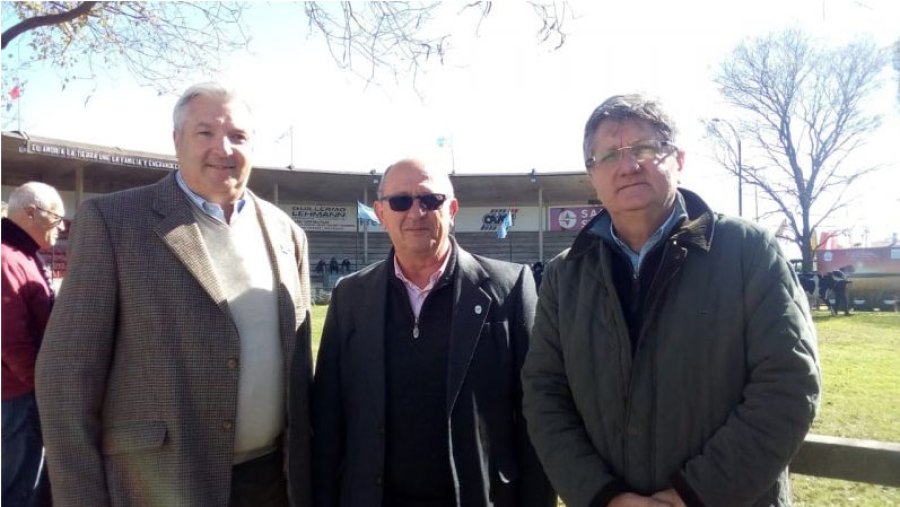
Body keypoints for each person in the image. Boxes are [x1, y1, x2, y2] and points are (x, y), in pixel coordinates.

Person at [521, 94, 821, 507]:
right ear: (592, 174)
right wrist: (602, 496)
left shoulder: (749, 252)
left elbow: (789, 383)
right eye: (607, 155)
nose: (627, 166)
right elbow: (544, 395)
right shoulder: (565, 274)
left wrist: (692, 496)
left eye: (643, 149)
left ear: (678, 159)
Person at [35, 82, 313, 507]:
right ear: (176, 140)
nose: (224, 148)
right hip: (159, 481)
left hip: (270, 480)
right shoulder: (114, 222)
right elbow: (65, 379)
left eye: (238, 136)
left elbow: (298, 368)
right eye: (205, 132)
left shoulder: (286, 233)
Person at [307, 159, 555, 507]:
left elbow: (537, 412)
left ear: (451, 209)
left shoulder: (510, 286)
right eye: (400, 202)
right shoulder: (351, 296)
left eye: (430, 200)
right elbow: (329, 417)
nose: (416, 212)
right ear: (380, 213)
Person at [2, 182, 65, 507]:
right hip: (16, 396)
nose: (62, 226)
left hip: (21, 392)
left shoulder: (21, 255)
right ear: (30, 213)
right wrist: (42, 386)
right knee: (21, 487)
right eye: (56, 216)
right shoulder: (6, 259)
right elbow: (10, 340)